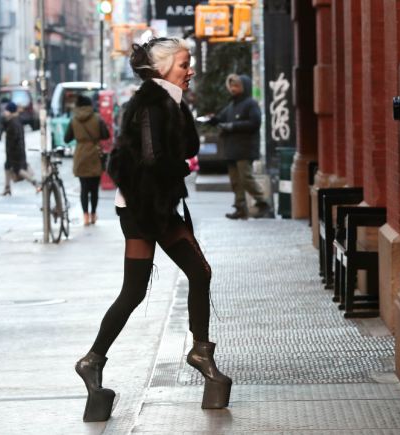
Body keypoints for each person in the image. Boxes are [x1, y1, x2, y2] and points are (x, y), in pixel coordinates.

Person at [74, 37, 231, 422]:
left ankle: (93, 361)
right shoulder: (150, 103)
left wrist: (182, 108)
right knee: (197, 272)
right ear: (162, 69)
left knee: (135, 290)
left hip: (145, 206)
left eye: (189, 64)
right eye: (183, 65)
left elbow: (185, 147)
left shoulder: (168, 101)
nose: (190, 70)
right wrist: (178, 169)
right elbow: (152, 159)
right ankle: (200, 354)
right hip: (148, 208)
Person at [207, 74, 273, 219]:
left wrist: (232, 126)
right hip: (232, 149)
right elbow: (221, 118)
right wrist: (212, 120)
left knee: (245, 178)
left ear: (244, 87)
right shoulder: (231, 106)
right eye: (231, 86)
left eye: (236, 86)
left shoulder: (250, 104)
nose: (233, 89)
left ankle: (264, 202)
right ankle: (240, 208)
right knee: (235, 181)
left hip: (245, 148)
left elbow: (255, 122)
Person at [64, 95, 110, 225]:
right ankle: (93, 214)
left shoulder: (74, 120)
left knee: (84, 188)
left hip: (80, 156)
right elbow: (106, 135)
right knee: (94, 189)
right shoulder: (97, 118)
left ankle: (85, 216)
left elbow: (67, 138)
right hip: (95, 154)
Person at [1, 101, 38, 195]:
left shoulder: (13, 122)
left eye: (6, 110)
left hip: (15, 151)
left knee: (19, 170)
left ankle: (36, 183)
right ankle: (7, 188)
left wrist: (11, 151)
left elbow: (13, 139)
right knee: (7, 166)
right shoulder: (13, 121)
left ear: (10, 111)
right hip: (17, 150)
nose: (4, 112)